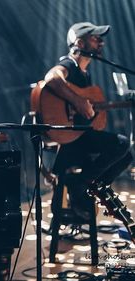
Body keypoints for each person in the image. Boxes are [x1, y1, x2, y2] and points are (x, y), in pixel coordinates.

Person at [43, 22, 132, 219]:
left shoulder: (85, 74)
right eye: (96, 38)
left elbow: (86, 110)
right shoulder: (69, 65)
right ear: (80, 43)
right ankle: (81, 184)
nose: (101, 42)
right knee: (121, 143)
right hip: (70, 142)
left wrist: (89, 107)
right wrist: (77, 101)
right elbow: (51, 78)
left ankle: (90, 187)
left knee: (126, 156)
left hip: (79, 137)